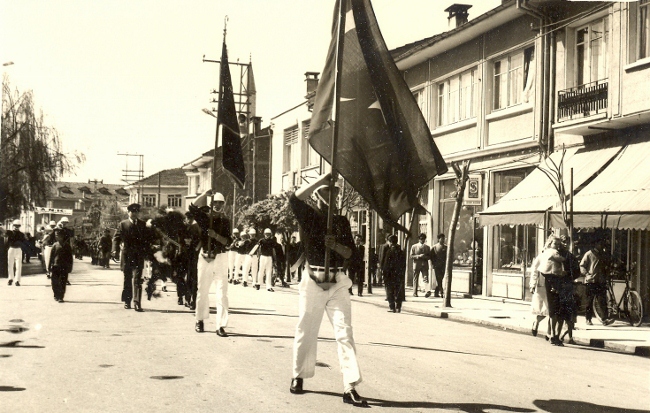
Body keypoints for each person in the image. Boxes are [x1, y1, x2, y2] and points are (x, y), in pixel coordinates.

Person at [288, 173, 367, 407]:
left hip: (337, 280)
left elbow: (351, 254)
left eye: (334, 192)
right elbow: (294, 198)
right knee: (306, 328)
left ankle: (349, 385)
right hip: (313, 277)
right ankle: (298, 375)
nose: (331, 196)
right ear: (317, 195)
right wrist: (322, 178)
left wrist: (337, 246)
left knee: (345, 332)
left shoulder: (342, 221)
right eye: (326, 191)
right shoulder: (309, 215)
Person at [189, 189, 232, 337]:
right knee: (202, 291)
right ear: (211, 203)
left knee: (222, 293)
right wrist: (204, 195)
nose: (218, 205)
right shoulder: (204, 218)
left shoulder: (226, 221)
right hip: (205, 257)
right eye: (215, 203)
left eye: (220, 203)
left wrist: (216, 236)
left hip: (220, 257)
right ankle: (199, 320)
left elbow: (228, 242)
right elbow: (192, 207)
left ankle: (220, 325)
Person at [112, 203, 154, 312]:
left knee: (137, 279)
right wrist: (114, 250)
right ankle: (127, 301)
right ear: (128, 212)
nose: (134, 214)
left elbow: (147, 240)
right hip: (127, 256)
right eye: (132, 211)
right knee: (127, 279)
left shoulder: (143, 224)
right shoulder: (123, 224)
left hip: (138, 256)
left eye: (136, 212)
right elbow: (116, 238)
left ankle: (137, 303)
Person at [536, 235, 566, 346]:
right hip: (553, 281)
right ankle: (553, 335)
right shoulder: (552, 252)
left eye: (559, 244)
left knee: (553, 309)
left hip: (551, 280)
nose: (557, 246)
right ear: (550, 244)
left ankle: (552, 334)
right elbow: (562, 259)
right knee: (554, 308)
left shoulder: (545, 252)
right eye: (555, 244)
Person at [580, 239, 614, 326]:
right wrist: (587, 274)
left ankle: (604, 319)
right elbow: (582, 265)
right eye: (599, 243)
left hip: (601, 281)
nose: (601, 245)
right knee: (589, 301)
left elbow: (607, 266)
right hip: (591, 281)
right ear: (595, 244)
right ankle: (588, 318)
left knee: (602, 301)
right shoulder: (589, 254)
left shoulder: (604, 254)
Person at [49, 228, 73, 302]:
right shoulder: (55, 245)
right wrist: (49, 267)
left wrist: (70, 267)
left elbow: (70, 258)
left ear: (62, 236)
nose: (56, 237)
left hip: (64, 266)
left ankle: (61, 297)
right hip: (55, 266)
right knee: (54, 282)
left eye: (58, 235)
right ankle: (56, 294)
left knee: (63, 282)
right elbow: (51, 257)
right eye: (56, 235)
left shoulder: (67, 246)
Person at [382, 234, 405, 313]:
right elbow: (403, 264)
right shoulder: (401, 251)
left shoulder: (389, 251)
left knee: (390, 291)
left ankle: (392, 307)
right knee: (398, 290)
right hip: (398, 274)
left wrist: (384, 274)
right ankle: (398, 306)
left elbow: (385, 264)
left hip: (389, 275)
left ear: (391, 242)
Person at [184, 210, 201, 310]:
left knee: (193, 278)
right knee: (184, 278)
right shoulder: (183, 228)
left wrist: (196, 248)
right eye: (188, 218)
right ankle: (185, 297)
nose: (189, 220)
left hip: (193, 255)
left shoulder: (197, 228)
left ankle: (193, 301)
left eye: (191, 218)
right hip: (184, 256)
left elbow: (201, 240)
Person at [410, 233, 431, 298]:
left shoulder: (427, 247)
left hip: (424, 265)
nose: (422, 240)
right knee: (415, 278)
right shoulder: (414, 246)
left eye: (424, 239)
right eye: (421, 239)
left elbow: (429, 256)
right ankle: (415, 292)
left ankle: (427, 291)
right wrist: (418, 256)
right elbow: (411, 256)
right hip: (417, 264)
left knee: (426, 278)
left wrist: (425, 257)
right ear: (419, 239)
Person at [7, 220, 26, 286]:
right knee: (10, 264)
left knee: (18, 265)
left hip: (18, 249)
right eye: (15, 225)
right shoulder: (10, 232)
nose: (16, 227)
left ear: (19, 226)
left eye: (18, 226)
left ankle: (17, 280)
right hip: (11, 248)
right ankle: (10, 279)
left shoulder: (21, 234)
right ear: (13, 225)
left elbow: (24, 242)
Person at [431, 233, 447, 298]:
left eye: (444, 238)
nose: (443, 240)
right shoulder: (434, 247)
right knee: (438, 278)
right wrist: (433, 264)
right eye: (442, 238)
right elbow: (431, 256)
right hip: (437, 266)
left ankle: (436, 292)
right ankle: (441, 292)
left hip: (443, 265)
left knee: (441, 278)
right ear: (438, 239)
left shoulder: (446, 247)